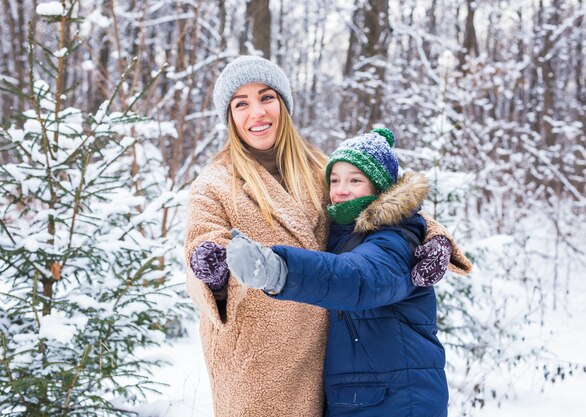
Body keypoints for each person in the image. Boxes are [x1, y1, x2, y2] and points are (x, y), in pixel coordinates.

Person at [184, 55, 470, 417]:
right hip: (258, 365)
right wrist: (210, 264)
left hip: (330, 358)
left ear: (284, 105)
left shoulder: (319, 168)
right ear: (229, 117)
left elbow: (379, 208)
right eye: (241, 104)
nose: (256, 112)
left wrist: (434, 236)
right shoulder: (214, 184)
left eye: (266, 97)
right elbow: (200, 244)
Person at [226, 127, 472, 417]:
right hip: (365, 396)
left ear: (380, 189)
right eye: (334, 180)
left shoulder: (392, 238)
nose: (341, 190)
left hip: (397, 400)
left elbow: (360, 277)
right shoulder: (343, 233)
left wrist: (279, 269)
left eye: (355, 180)